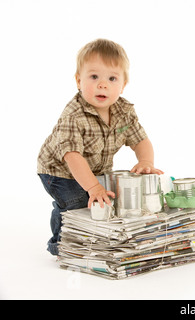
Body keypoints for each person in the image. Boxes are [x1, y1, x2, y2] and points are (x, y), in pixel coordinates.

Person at [37, 39, 163, 255]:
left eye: (112, 78)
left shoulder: (124, 111)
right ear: (78, 80)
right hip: (59, 171)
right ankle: (60, 244)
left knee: (104, 201)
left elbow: (140, 140)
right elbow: (72, 156)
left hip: (94, 170)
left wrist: (145, 161)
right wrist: (93, 187)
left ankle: (94, 237)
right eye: (94, 77)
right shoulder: (74, 115)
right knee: (76, 202)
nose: (102, 84)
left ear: (123, 85)